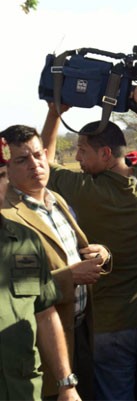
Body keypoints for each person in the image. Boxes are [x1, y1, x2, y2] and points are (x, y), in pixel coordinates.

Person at [41, 85, 137, 400]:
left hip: (109, 326)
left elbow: (44, 162)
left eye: (82, 150)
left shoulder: (83, 191)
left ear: (105, 154)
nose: (77, 157)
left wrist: (54, 113)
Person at [1, 125, 112, 400]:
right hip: (43, 344)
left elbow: (71, 251)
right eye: (22, 160)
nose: (35, 165)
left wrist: (102, 253)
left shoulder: (56, 199)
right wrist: (69, 276)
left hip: (80, 329)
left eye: (38, 155)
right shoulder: (9, 216)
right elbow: (26, 297)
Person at [0, 138, 81, 401]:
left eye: (0, 175)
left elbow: (44, 313)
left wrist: (66, 384)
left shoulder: (22, 240)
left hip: (25, 388)